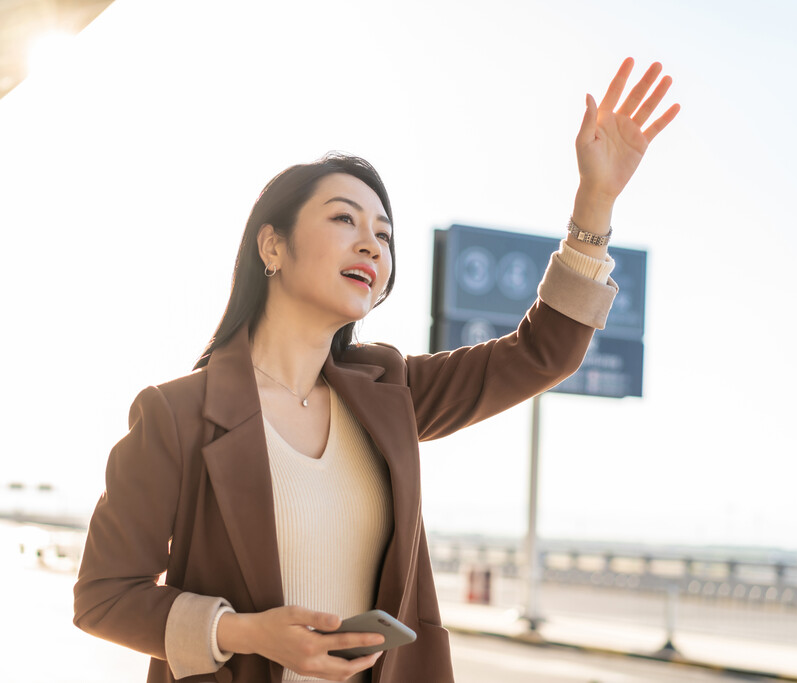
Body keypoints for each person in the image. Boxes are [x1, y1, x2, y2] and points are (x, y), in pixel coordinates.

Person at [73, 57, 679, 683]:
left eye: (384, 235)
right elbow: (103, 595)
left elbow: (541, 353)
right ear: (272, 245)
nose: (371, 244)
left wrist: (595, 202)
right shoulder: (175, 415)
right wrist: (247, 632)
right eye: (344, 219)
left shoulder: (391, 392)